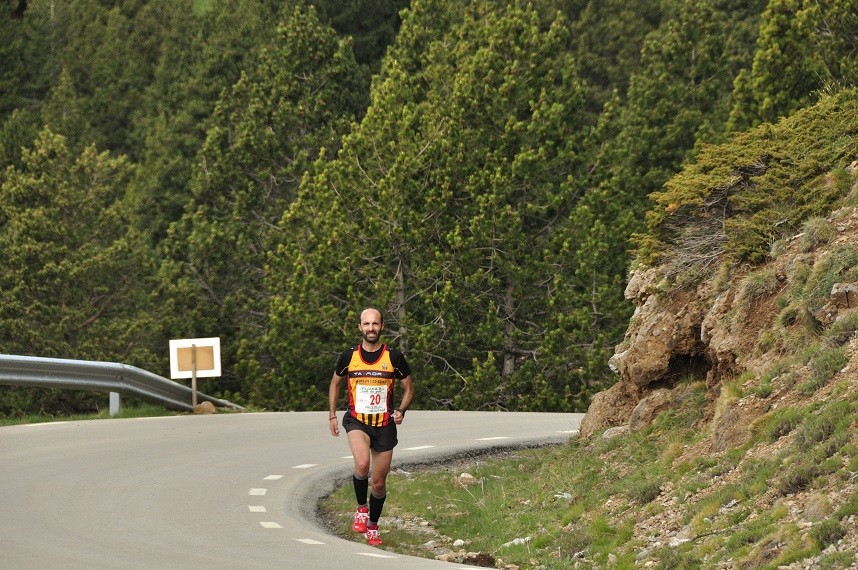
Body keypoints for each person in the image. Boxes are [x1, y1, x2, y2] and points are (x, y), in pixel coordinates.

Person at [328, 307, 414, 547]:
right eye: (366, 324)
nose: (371, 328)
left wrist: (401, 410)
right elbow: (335, 384)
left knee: (378, 482)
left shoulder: (394, 358)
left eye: (375, 324)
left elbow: (409, 388)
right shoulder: (349, 357)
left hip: (384, 424)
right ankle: (361, 509)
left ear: (382, 327)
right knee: (362, 464)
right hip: (357, 420)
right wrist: (332, 415)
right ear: (360, 328)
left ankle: (373, 526)